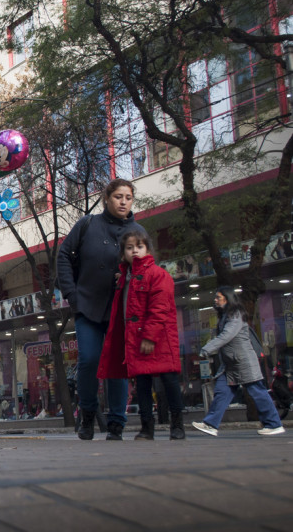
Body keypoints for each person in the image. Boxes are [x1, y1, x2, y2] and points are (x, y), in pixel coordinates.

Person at [57, 178, 148, 440]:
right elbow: (64, 255)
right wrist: (72, 295)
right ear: (106, 198)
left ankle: (117, 423)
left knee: (118, 365)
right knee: (89, 360)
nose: (123, 201)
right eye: (118, 196)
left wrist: (130, 276)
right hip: (87, 305)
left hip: (122, 309)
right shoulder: (88, 224)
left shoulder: (138, 231)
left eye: (128, 197)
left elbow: (147, 269)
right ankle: (87, 414)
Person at [98, 231, 185, 440]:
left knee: (169, 382)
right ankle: (147, 427)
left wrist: (149, 336)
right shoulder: (125, 279)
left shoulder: (158, 274)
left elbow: (160, 308)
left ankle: (178, 425)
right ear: (123, 253)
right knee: (143, 384)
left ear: (148, 249)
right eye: (129, 247)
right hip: (137, 340)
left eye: (140, 246)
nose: (135, 251)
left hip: (159, 339)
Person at [192, 287, 285, 437]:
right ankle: (210, 424)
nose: (215, 300)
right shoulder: (225, 315)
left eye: (218, 297)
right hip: (230, 364)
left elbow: (227, 335)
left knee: (257, 391)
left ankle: (274, 424)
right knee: (222, 392)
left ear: (227, 298)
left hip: (243, 361)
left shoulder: (236, 314)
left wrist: (207, 349)